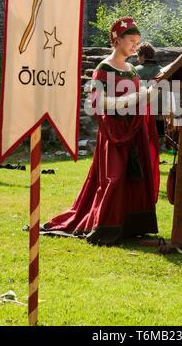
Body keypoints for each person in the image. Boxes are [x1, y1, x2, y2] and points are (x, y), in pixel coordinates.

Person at [41, 17, 160, 245]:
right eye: (132, 40)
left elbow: (139, 98)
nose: (136, 45)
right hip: (114, 132)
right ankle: (106, 226)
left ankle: (131, 227)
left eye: (138, 41)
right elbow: (98, 103)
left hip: (133, 131)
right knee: (113, 178)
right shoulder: (103, 68)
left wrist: (151, 93)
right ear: (117, 40)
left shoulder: (133, 69)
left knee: (133, 178)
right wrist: (135, 97)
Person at [135, 42, 165, 139]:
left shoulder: (135, 71)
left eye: (138, 56)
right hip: (159, 115)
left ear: (143, 55)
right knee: (157, 144)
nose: (137, 59)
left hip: (142, 115)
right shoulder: (163, 71)